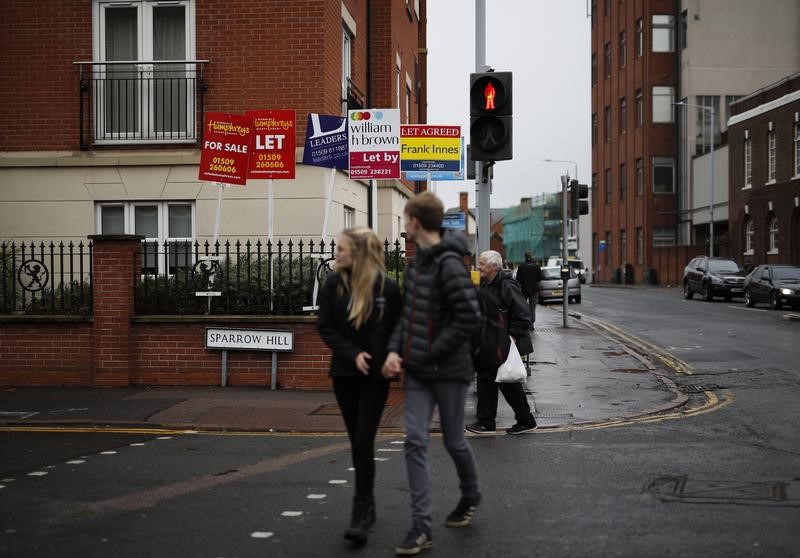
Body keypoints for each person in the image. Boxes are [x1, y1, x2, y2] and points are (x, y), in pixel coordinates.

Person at [381, 191, 481, 556]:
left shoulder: (449, 264)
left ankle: (471, 494)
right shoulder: (416, 264)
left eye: (406, 219)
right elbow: (407, 318)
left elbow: (470, 317)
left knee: (454, 441)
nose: (404, 225)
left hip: (450, 371)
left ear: (416, 222)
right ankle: (421, 525)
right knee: (414, 441)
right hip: (419, 371)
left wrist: (429, 350)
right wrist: (394, 350)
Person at [317, 227, 403, 547]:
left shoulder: (387, 287)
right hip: (344, 375)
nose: (336, 253)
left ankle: (361, 510)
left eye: (341, 248)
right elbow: (324, 326)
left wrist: (394, 354)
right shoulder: (333, 285)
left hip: (375, 378)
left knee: (364, 440)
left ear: (360, 253)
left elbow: (400, 326)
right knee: (357, 441)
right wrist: (352, 354)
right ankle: (368, 502)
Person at [466, 250, 537, 436]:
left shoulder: (507, 286)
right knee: (507, 383)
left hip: (501, 343)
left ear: (494, 267)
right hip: (490, 342)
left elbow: (523, 315)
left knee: (487, 379)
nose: (478, 267)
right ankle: (525, 420)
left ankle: (486, 423)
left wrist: (511, 338)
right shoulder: (487, 283)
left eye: (482, 264)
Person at [515, 251, 541, 330]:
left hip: (524, 290)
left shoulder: (521, 266)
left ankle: (524, 323)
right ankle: (531, 325)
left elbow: (518, 279)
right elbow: (540, 277)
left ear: (525, 257)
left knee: (523, 307)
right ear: (532, 257)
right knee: (532, 307)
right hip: (534, 290)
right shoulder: (536, 266)